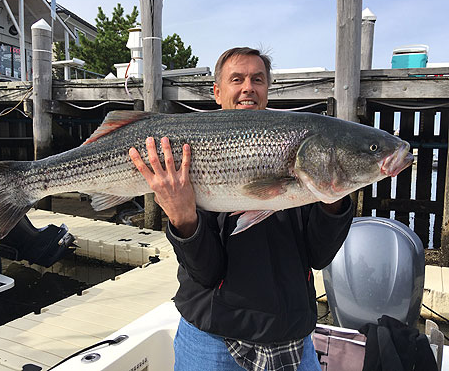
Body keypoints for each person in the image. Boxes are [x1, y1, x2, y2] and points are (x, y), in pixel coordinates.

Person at [129, 47, 353, 371]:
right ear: (218, 92)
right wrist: (182, 217)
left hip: (293, 333)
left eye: (257, 79)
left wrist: (333, 203)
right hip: (213, 336)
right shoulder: (196, 152)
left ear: (267, 89)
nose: (248, 86)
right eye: (237, 79)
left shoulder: (298, 159)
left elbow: (319, 256)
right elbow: (206, 272)